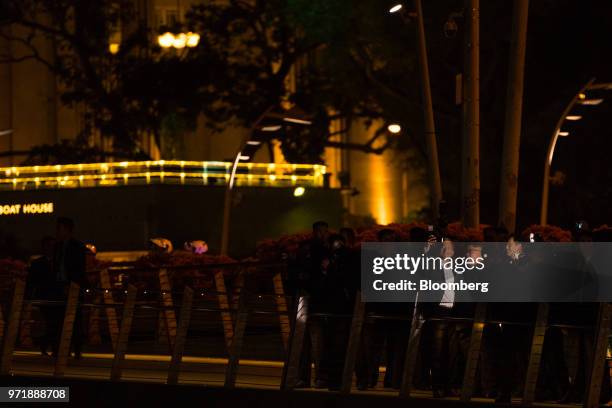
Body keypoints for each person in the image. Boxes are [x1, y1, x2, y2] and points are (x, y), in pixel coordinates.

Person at [54, 217, 88, 359]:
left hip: (73, 286)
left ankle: (77, 349)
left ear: (67, 229)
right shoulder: (59, 246)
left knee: (75, 320)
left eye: (60, 228)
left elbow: (79, 269)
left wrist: (73, 285)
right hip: (61, 285)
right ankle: (65, 349)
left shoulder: (77, 246)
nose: (57, 232)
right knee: (61, 319)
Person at [27, 236, 57, 356]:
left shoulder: (59, 262)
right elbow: (31, 281)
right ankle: (46, 345)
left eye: (53, 246)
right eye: (49, 246)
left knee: (55, 323)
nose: (51, 249)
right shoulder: (37, 263)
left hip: (57, 297)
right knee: (49, 323)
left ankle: (51, 347)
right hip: (44, 297)